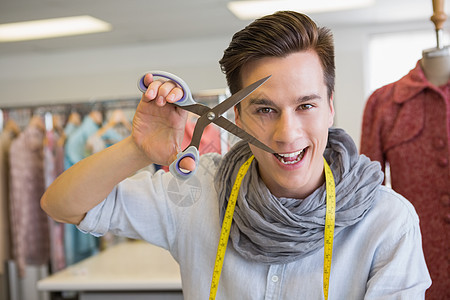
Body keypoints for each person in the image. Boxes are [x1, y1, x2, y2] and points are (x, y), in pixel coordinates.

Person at [41, 11, 431, 299]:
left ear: (330, 106)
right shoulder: (194, 194)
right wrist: (137, 149)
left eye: (306, 106)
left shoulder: (387, 223)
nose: (286, 133)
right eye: (265, 110)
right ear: (239, 117)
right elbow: (61, 204)